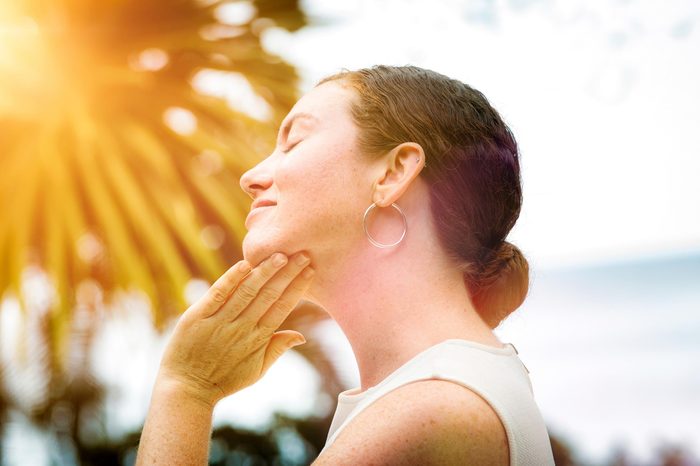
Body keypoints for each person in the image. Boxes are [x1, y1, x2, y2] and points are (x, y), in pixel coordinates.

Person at [135, 65, 555, 465]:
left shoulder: (433, 410)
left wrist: (186, 389)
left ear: (392, 174)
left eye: (294, 141)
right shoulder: (453, 385)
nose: (251, 177)